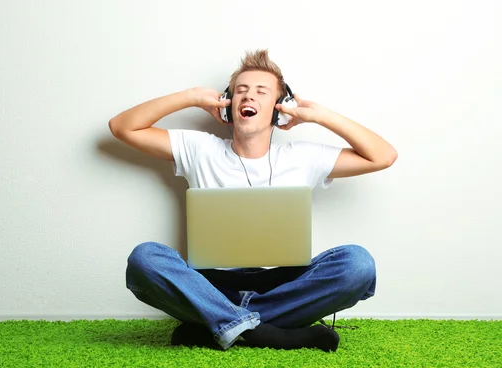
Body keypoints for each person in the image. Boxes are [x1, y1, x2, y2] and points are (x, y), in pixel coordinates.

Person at [108, 49, 397, 352]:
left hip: (285, 286)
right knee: (145, 259)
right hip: (210, 286)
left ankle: (222, 325)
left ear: (279, 109)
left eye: (261, 92)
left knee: (357, 264)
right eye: (240, 92)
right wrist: (191, 96)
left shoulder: (304, 156)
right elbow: (122, 127)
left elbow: (383, 156)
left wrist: (318, 116)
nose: (248, 98)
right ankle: (267, 332)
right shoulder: (199, 148)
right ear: (226, 106)